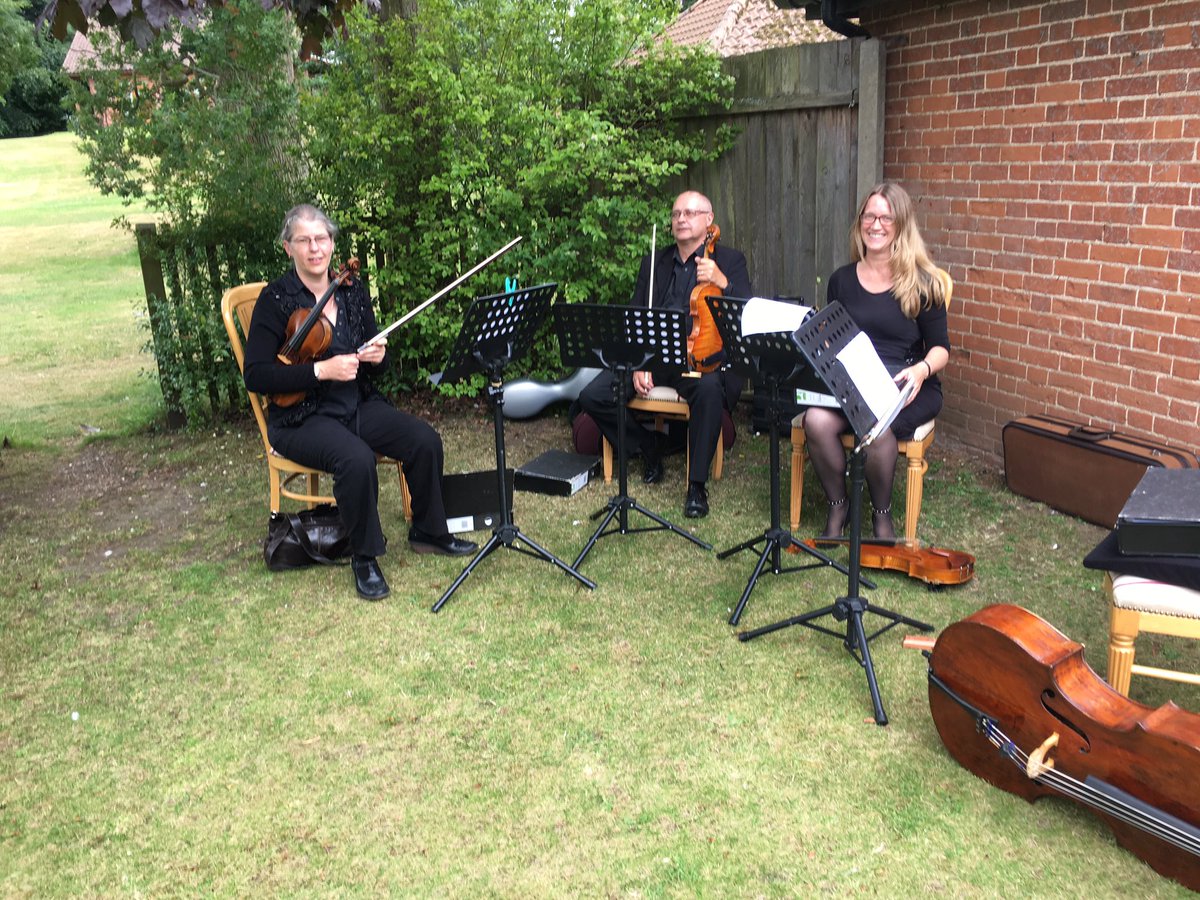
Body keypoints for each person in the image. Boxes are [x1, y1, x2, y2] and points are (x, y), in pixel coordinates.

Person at [243, 204, 477, 601]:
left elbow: (375, 369)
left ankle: (429, 530)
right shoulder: (276, 299)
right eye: (305, 241)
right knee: (355, 459)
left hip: (355, 403)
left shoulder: (351, 290)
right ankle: (364, 557)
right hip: (301, 416)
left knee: (423, 440)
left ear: (333, 244)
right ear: (289, 248)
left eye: (322, 239)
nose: (315, 249)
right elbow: (257, 375)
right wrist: (321, 371)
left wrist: (377, 357)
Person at [577, 190, 752, 519]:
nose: (681, 219)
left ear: (708, 220)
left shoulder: (729, 261)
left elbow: (747, 315)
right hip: (656, 356)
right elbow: (635, 315)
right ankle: (647, 445)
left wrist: (723, 282)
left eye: (690, 213)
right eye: (676, 214)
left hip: (700, 358)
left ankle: (696, 486)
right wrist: (639, 362)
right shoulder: (654, 262)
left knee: (710, 389)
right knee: (593, 395)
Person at [804, 182, 950, 542]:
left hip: (906, 384)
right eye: (869, 216)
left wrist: (921, 370)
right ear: (860, 223)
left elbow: (941, 349)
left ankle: (882, 515)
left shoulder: (923, 282)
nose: (876, 224)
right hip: (853, 383)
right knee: (816, 420)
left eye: (886, 217)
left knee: (877, 423)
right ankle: (839, 504)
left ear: (901, 224)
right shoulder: (841, 280)